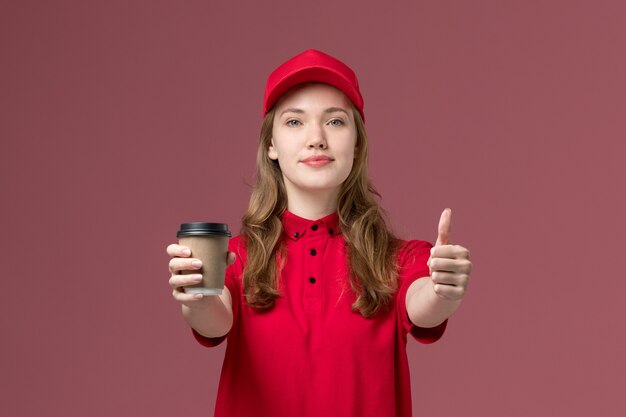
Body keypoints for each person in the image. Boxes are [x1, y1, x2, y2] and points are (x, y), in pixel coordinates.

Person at [167, 49, 472, 417]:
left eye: (336, 122)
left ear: (357, 143)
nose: (316, 139)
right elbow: (215, 319)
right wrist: (197, 299)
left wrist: (444, 290)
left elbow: (424, 306)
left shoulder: (400, 258)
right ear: (271, 146)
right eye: (295, 122)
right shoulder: (236, 257)